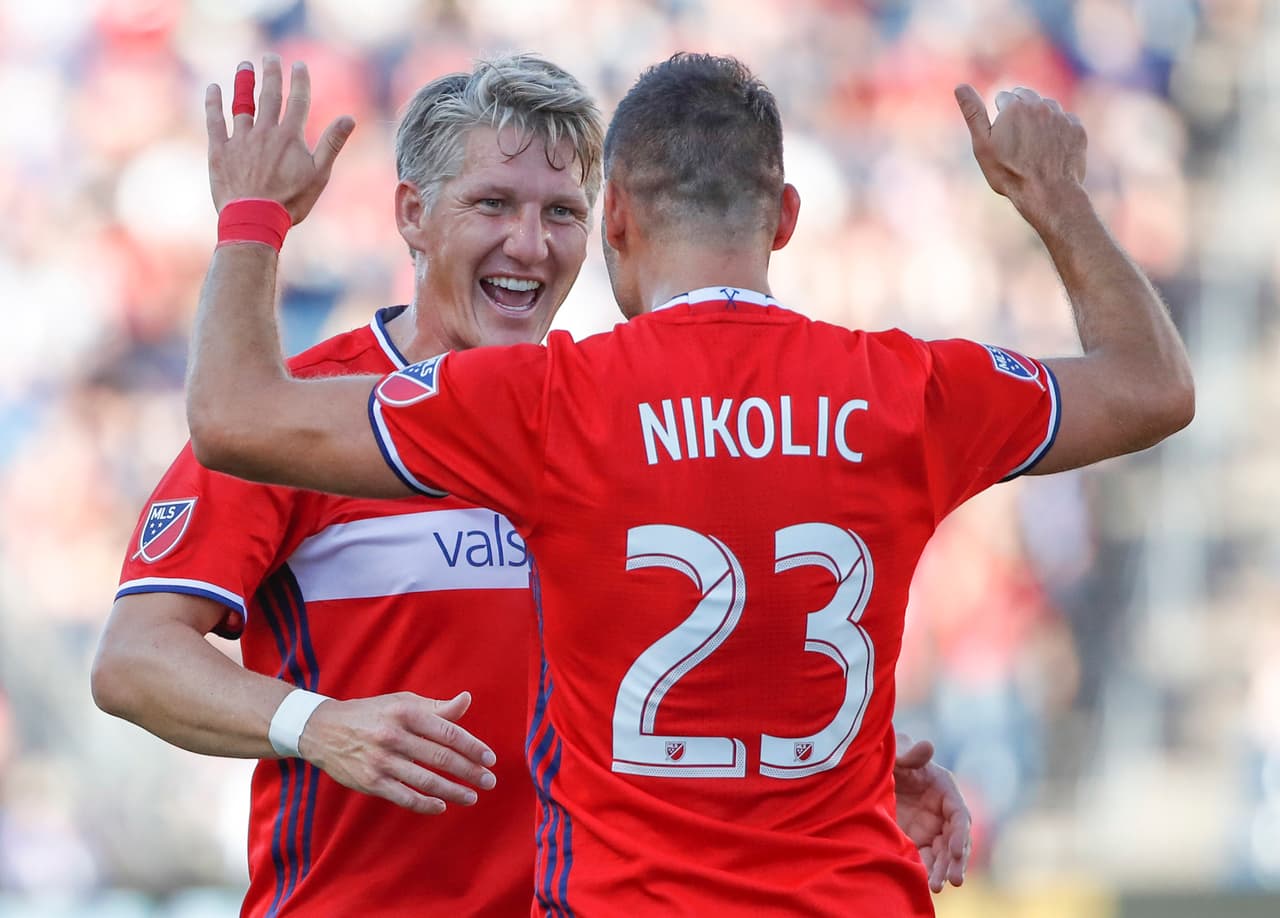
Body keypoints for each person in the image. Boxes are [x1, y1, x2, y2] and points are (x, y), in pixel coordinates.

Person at [92, 54, 971, 916]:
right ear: (411, 214)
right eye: (492, 205)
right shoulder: (304, 418)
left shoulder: (610, 412)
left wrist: (822, 771)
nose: (530, 243)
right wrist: (316, 724)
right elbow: (134, 658)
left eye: (561, 212)